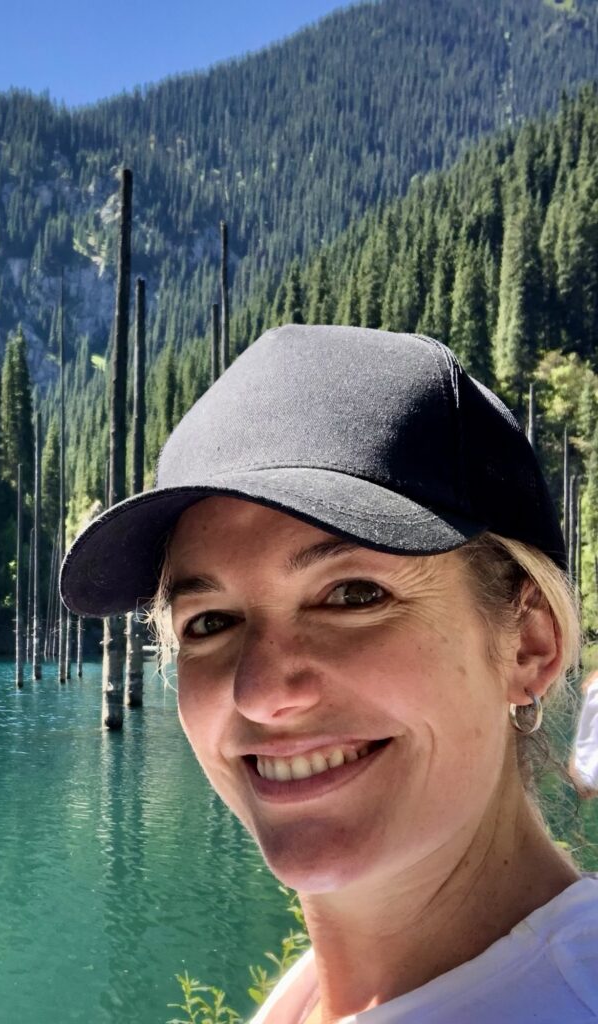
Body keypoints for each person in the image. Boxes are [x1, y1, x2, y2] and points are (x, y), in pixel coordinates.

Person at [60, 325, 598, 1023]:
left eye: (352, 596)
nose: (261, 691)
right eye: (210, 622)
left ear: (529, 644)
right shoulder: (318, 995)